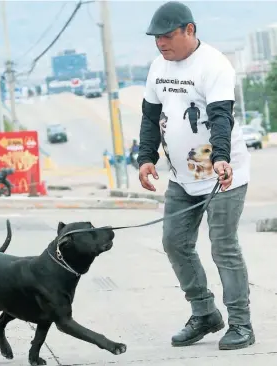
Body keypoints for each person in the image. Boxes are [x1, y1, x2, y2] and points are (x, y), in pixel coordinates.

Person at [137, 1, 254, 351]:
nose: (161, 43)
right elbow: (149, 117)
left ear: (190, 30)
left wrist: (220, 158)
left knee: (223, 246)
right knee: (174, 242)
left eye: (168, 35)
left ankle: (241, 324)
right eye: (156, 37)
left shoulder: (213, 65)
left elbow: (221, 116)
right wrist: (146, 158)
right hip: (181, 176)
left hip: (222, 175)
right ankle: (204, 313)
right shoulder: (158, 67)